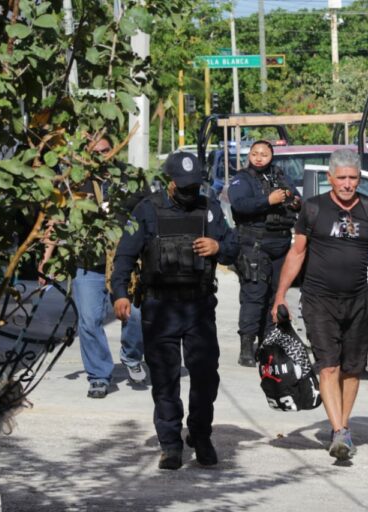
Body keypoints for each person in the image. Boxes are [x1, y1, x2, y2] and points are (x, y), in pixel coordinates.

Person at [272, 148, 368, 461]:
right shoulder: (313, 210)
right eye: (341, 178)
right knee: (329, 366)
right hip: (318, 300)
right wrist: (280, 294)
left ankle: (342, 426)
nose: (348, 183)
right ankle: (339, 430)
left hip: (356, 301)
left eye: (353, 178)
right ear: (330, 178)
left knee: (352, 370)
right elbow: (297, 254)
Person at [110, 151, 238, 470]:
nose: (188, 192)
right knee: (165, 379)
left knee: (206, 376)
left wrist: (217, 248)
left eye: (193, 186)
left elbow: (234, 245)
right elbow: (125, 255)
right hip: (159, 307)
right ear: (169, 183)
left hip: (199, 307)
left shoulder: (208, 208)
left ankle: (200, 435)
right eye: (183, 186)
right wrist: (120, 294)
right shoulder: (147, 210)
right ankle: (170, 444)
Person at [38, 136, 146, 399]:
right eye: (95, 152)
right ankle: (98, 375)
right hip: (88, 263)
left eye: (106, 150)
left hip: (124, 263)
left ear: (115, 149)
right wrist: (46, 259)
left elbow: (149, 215)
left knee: (136, 317)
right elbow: (56, 220)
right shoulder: (74, 181)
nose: (101, 155)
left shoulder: (131, 179)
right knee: (88, 321)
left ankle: (131, 356)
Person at [228, 140, 300, 367]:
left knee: (275, 296)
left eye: (264, 154)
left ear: (272, 156)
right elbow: (240, 205)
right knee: (254, 295)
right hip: (254, 245)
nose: (259, 158)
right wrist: (268, 200)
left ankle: (267, 344)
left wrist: (294, 201)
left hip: (280, 245)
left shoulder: (279, 176)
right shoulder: (242, 179)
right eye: (255, 153)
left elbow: (297, 200)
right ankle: (246, 348)